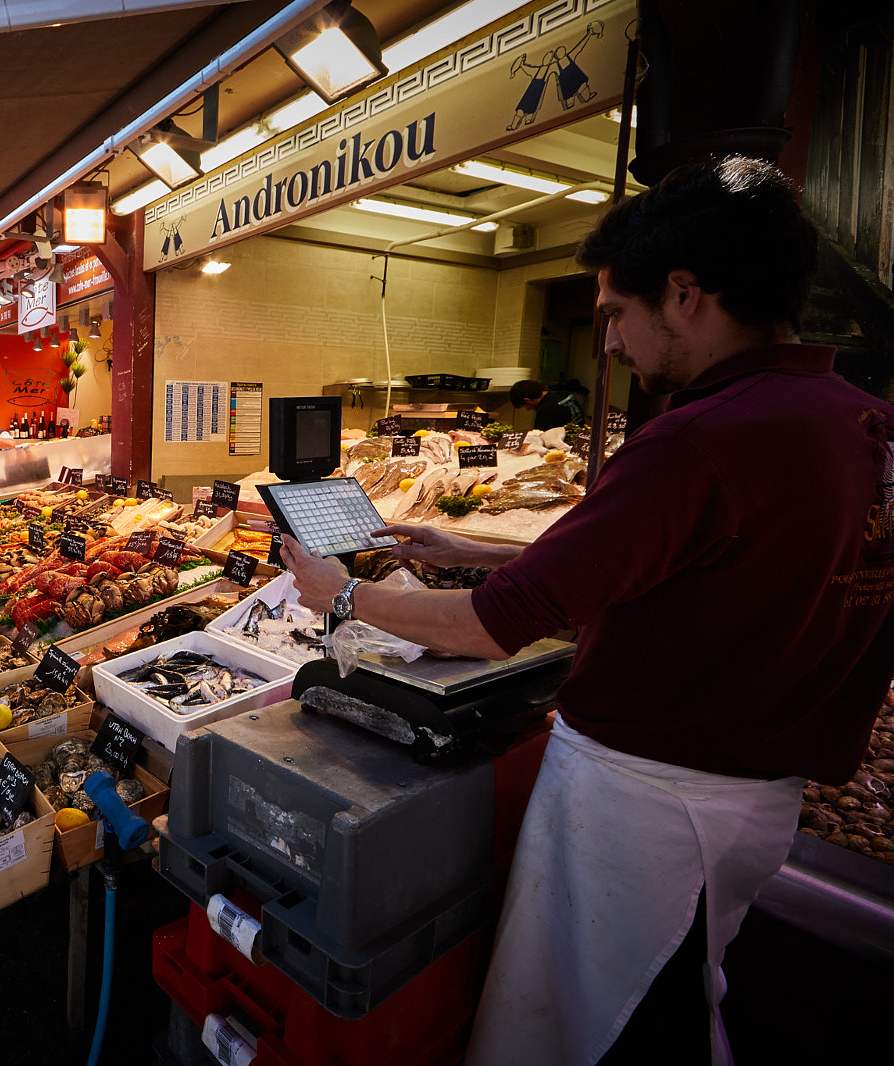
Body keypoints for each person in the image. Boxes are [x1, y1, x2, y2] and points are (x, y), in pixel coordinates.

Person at [280, 157, 894, 1066]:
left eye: (614, 313)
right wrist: (482, 551)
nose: (607, 344)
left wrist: (343, 599)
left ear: (685, 293)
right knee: (680, 991)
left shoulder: (698, 438)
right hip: (754, 800)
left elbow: (491, 628)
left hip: (650, 807)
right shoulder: (859, 424)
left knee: (615, 1027)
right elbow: (710, 565)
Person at [508, 378, 586, 431]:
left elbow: (541, 438)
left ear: (527, 400)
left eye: (525, 407)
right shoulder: (565, 395)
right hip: (580, 438)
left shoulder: (545, 409)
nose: (528, 409)